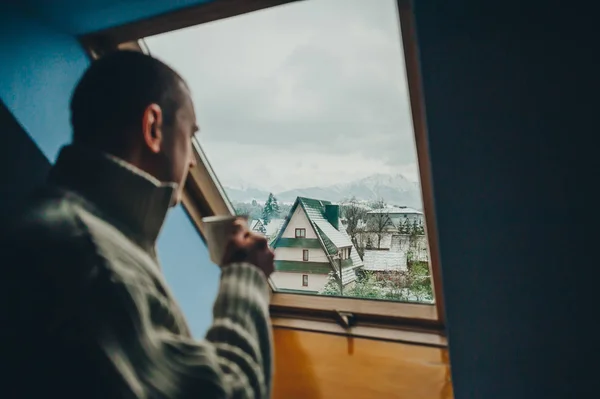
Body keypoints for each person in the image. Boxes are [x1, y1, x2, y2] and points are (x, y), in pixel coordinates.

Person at [0, 51, 275, 398]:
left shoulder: (51, 221)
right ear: (153, 127)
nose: (191, 162)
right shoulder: (95, 264)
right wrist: (244, 275)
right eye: (190, 136)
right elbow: (231, 392)